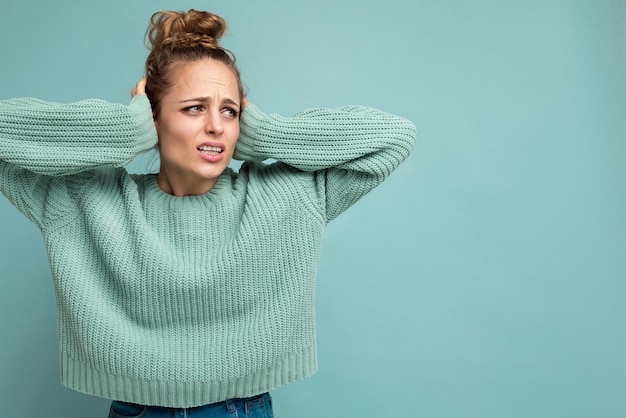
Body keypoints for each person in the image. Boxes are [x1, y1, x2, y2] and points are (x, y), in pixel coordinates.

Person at [0, 9, 416, 418]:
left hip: (243, 409)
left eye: (230, 111)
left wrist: (268, 132)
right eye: (195, 108)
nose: (217, 126)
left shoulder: (286, 195)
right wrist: (124, 130)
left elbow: (395, 137)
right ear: (153, 118)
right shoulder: (86, 200)